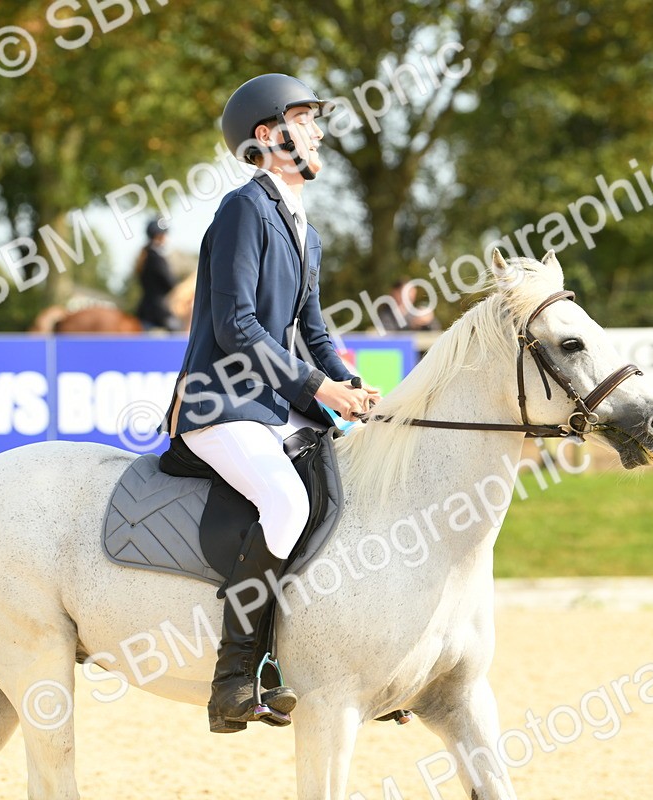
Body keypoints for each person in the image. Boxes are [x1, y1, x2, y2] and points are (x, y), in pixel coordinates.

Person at [160, 73, 378, 734]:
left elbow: (314, 331)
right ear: (269, 135)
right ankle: (233, 680)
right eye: (305, 120)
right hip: (219, 402)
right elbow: (237, 327)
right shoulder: (243, 209)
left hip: (270, 404)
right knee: (286, 503)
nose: (318, 132)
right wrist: (316, 389)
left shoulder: (306, 229)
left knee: (350, 485)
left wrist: (348, 383)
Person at [134, 219, 182, 331]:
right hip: (158, 311)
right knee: (178, 331)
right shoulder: (156, 258)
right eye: (164, 235)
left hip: (146, 308)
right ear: (159, 236)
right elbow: (170, 282)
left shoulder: (145, 256)